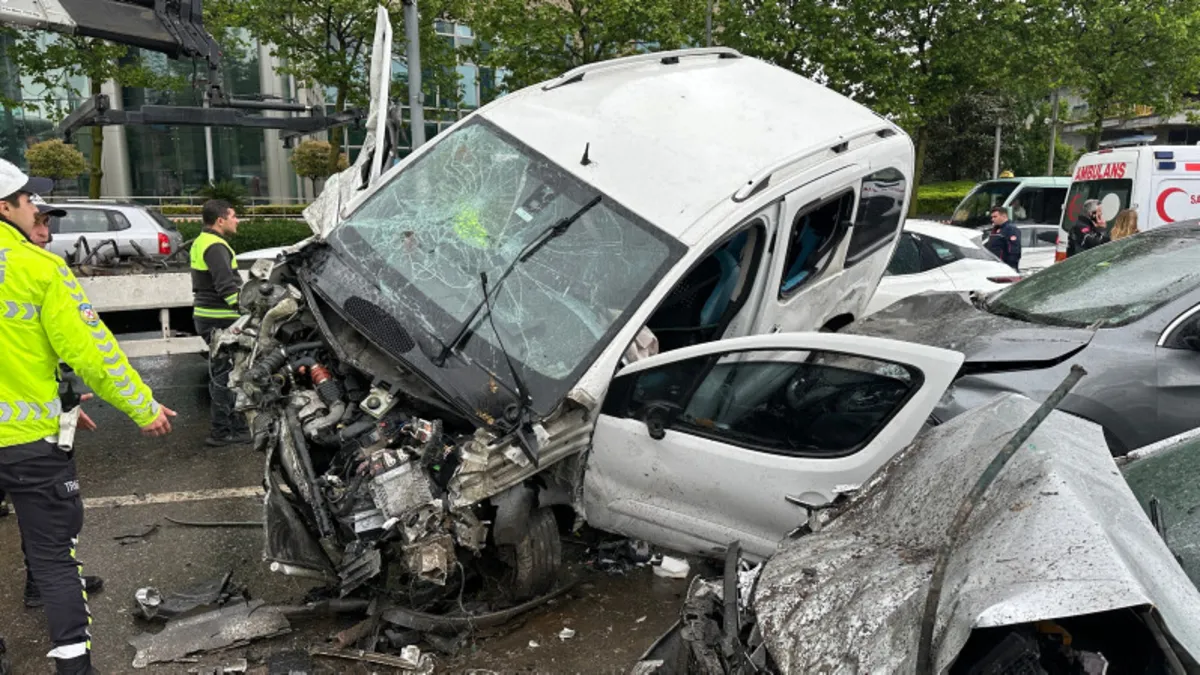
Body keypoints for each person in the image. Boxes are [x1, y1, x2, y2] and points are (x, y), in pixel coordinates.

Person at [0, 158, 176, 675]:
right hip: (29, 444)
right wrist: (143, 407)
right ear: (4, 207)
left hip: (30, 429)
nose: (36, 208)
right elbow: (93, 354)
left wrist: (67, 404)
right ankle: (74, 669)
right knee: (55, 561)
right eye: (29, 199)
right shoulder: (38, 269)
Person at [191, 199, 250, 446]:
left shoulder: (202, 241)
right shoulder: (215, 246)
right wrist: (247, 310)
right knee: (226, 374)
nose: (237, 221)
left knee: (228, 371)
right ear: (220, 220)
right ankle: (223, 431)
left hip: (210, 318)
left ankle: (233, 427)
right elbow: (226, 287)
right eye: (234, 216)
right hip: (220, 320)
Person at [984, 206, 1022, 270]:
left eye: (995, 217)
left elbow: (1014, 250)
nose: (992, 219)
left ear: (1004, 216)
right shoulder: (996, 229)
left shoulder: (1011, 229)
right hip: (995, 265)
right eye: (992, 217)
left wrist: (1010, 267)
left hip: (1004, 267)